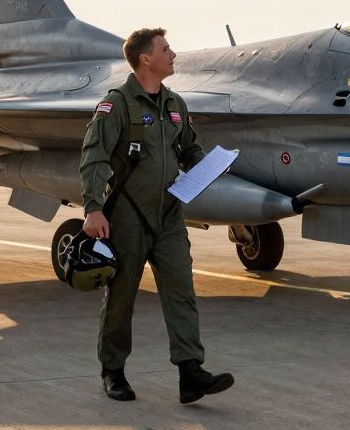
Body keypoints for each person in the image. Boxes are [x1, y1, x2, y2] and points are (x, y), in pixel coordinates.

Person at [80, 28, 234, 404]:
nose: (174, 54)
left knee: (181, 292)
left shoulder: (175, 104)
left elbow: (189, 149)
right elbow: (94, 156)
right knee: (122, 297)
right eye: (166, 49)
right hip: (128, 217)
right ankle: (112, 371)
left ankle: (191, 373)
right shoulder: (116, 105)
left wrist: (208, 165)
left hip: (168, 216)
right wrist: (93, 208)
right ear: (145, 59)